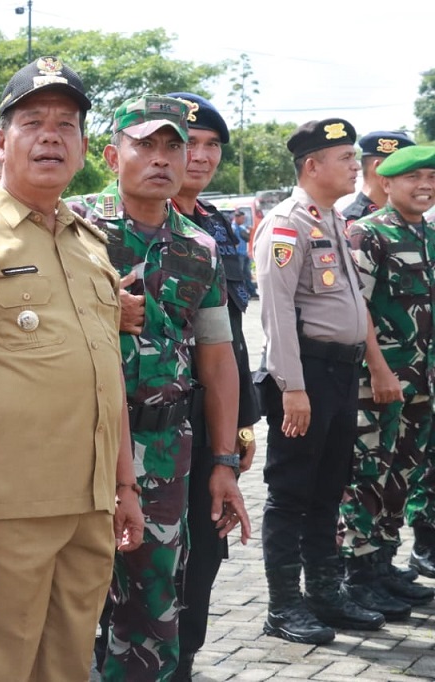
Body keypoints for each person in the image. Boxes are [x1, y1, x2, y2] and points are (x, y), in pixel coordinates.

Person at [0, 55, 143, 682]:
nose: (50, 136)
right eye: (32, 121)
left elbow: (107, 375)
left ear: (84, 145)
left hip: (89, 504)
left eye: (66, 125)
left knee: (67, 667)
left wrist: (123, 486)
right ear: (0, 141)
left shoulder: (89, 245)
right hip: (1, 509)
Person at [69, 94, 248, 681]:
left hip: (167, 450)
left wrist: (224, 460)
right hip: (75, 447)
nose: (164, 158)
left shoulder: (198, 246)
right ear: (110, 152)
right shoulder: (70, 228)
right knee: (65, 602)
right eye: (146, 144)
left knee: (154, 606)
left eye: (176, 146)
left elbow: (216, 358)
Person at [255, 118, 385, 645]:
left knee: (329, 487)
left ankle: (325, 594)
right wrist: (292, 386)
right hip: (305, 373)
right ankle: (284, 606)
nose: (357, 166)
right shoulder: (286, 223)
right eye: (346, 158)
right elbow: (277, 310)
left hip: (339, 370)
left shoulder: (330, 220)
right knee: (290, 493)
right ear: (313, 166)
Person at [163, 92, 262, 681]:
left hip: (209, 426)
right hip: (143, 427)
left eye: (208, 147)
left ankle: (185, 661)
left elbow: (231, 342)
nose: (197, 157)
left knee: (203, 553)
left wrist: (241, 423)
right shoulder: (104, 226)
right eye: (184, 144)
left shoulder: (216, 228)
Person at [338, 144, 435, 619]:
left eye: (432, 178)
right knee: (367, 478)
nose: (425, 186)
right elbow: (357, 311)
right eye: (414, 178)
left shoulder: (430, 236)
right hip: (378, 383)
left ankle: (382, 568)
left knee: (404, 477)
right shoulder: (367, 234)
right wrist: (378, 368)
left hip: (422, 384)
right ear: (387, 182)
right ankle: (356, 579)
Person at [339, 130, 415, 223]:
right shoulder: (355, 222)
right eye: (403, 169)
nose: (412, 178)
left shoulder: (407, 216)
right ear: (379, 169)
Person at [233, 210, 257, 298]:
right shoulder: (233, 228)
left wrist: (250, 232)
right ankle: (243, 293)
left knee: (247, 274)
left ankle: (251, 291)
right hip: (238, 254)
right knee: (240, 275)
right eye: (242, 218)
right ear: (236, 218)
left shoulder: (242, 228)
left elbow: (247, 239)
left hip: (244, 253)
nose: (243, 220)